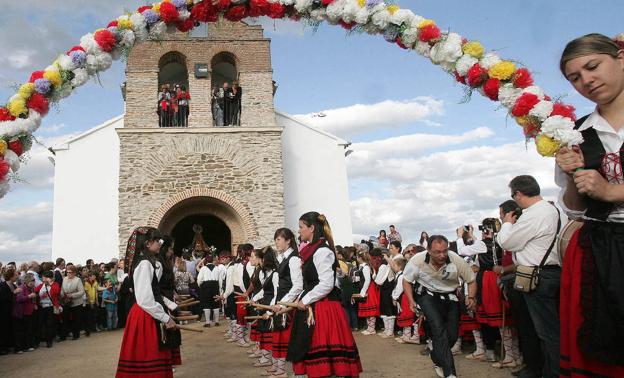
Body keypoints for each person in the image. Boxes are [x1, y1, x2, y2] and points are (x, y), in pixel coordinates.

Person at [556, 33, 624, 377]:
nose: (587, 81)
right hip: (599, 247)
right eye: (575, 78)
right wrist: (572, 176)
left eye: (593, 66)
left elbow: (608, 193)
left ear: (621, 57)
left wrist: (613, 192)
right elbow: (573, 208)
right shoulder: (576, 132)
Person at [497, 175, 561, 378]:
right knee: (545, 329)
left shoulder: (534, 214)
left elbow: (507, 242)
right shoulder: (552, 209)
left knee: (546, 332)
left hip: (537, 276)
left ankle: (552, 373)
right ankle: (546, 369)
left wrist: (507, 223)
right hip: (549, 273)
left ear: (518, 194)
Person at [287, 212, 362, 378]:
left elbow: (327, 284)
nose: (299, 231)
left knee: (325, 358)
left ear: (312, 228)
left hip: (323, 308)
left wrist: (305, 299)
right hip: (313, 305)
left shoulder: (322, 251)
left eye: (301, 227)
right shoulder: (312, 251)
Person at [403, 235, 476, 378]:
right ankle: (450, 373)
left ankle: (436, 356)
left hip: (450, 297)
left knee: (452, 335)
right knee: (438, 329)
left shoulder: (455, 260)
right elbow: (406, 281)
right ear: (428, 250)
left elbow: (471, 280)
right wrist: (411, 300)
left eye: (445, 251)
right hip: (426, 295)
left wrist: (471, 297)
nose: (442, 255)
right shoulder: (417, 260)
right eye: (437, 252)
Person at [116, 227, 180, 378]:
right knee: (148, 357)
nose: (160, 244)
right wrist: (166, 318)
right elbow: (145, 299)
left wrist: (171, 306)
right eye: (157, 241)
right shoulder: (144, 264)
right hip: (145, 315)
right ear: (147, 243)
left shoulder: (148, 262)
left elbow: (154, 292)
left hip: (148, 313)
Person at [269, 228, 303, 378]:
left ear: (288, 241)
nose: (276, 242)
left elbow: (298, 286)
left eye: (279, 239)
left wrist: (284, 304)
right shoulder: (284, 258)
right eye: (276, 239)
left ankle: (292, 372)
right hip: (282, 301)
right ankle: (281, 370)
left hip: (289, 303)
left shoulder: (294, 259)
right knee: (280, 335)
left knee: (289, 338)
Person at [250, 246, 279, 372]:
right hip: (264, 305)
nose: (260, 262)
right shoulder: (268, 273)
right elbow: (264, 290)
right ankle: (266, 358)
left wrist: (269, 311)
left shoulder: (275, 274)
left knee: (269, 335)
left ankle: (272, 362)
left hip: (270, 307)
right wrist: (254, 298)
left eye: (261, 259)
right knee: (264, 333)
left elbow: (277, 294)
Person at [391, 256, 418, 344]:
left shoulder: (402, 276)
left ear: (399, 267)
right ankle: (405, 335)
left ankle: (407, 336)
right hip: (403, 298)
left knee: (406, 315)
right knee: (403, 314)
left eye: (394, 265)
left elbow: (399, 288)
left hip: (405, 298)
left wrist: (394, 297)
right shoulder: (400, 275)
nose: (393, 267)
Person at [355, 250, 380, 335]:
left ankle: (372, 328)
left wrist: (363, 291)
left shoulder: (365, 267)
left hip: (369, 289)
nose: (356, 258)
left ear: (360, 258)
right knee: (367, 309)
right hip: (367, 288)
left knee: (370, 309)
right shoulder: (364, 266)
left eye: (357, 257)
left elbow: (367, 280)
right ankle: (369, 327)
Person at [36, 270, 61, 347]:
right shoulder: (41, 285)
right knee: (40, 324)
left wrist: (50, 284)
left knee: (49, 325)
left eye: (44, 278)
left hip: (50, 307)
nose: (43, 280)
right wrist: (40, 296)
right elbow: (36, 291)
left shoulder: (55, 284)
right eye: (43, 278)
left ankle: (49, 341)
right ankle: (38, 340)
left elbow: (56, 292)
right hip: (42, 307)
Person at [13, 273, 37, 353]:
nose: (33, 282)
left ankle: (28, 345)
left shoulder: (32, 288)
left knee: (29, 330)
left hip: (30, 311)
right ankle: (20, 348)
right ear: (27, 281)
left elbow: (33, 299)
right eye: (32, 281)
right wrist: (29, 296)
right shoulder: (22, 288)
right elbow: (19, 299)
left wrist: (34, 304)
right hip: (22, 312)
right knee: (21, 331)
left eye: (33, 281)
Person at [60, 264, 85, 340]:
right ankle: (63, 336)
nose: (68, 274)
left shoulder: (78, 280)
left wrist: (72, 295)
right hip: (66, 303)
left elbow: (82, 292)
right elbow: (62, 289)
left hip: (76, 303)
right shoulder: (64, 279)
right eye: (67, 272)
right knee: (65, 319)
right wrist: (62, 295)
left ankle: (75, 335)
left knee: (76, 320)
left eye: (70, 272)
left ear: (74, 273)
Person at [197, 254, 222, 328]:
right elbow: (220, 280)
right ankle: (217, 321)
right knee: (216, 303)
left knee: (206, 303)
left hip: (206, 287)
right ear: (212, 260)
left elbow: (199, 279)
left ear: (205, 261)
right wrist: (220, 289)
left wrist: (200, 286)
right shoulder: (217, 268)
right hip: (215, 286)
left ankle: (207, 322)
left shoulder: (203, 268)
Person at [0, 268, 17, 354]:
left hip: (11, 311)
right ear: (11, 276)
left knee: (9, 328)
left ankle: (7, 346)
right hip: (4, 312)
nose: (17, 276)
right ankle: (2, 348)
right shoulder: (2, 285)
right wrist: (14, 293)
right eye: (15, 275)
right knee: (3, 329)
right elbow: (3, 298)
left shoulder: (13, 285)